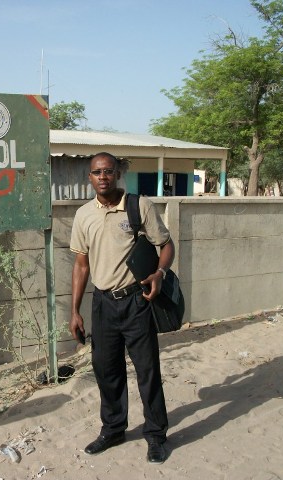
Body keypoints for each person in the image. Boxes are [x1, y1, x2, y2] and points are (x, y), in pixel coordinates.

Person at [69, 152, 175, 464]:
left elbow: (166, 245)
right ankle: (114, 429)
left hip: (136, 301)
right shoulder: (83, 215)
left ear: (117, 174)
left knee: (147, 370)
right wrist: (75, 310)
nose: (102, 177)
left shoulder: (139, 206)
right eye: (96, 172)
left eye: (108, 171)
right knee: (106, 370)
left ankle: (156, 435)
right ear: (89, 177)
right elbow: (81, 265)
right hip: (103, 303)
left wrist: (159, 273)